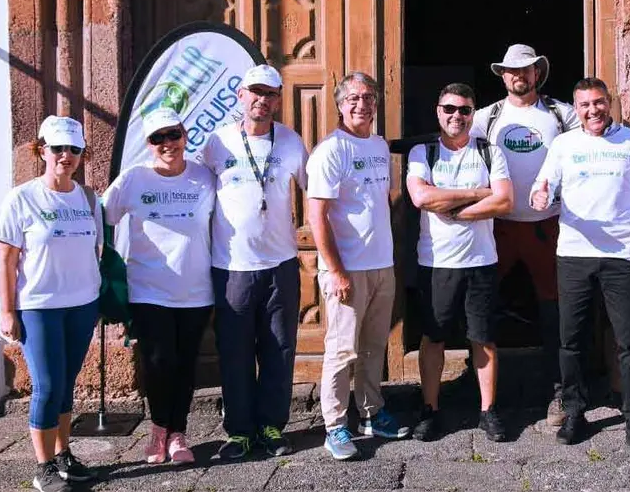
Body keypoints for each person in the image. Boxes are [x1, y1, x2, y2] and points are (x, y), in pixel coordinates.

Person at [530, 77, 630, 449]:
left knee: (629, 340)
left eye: (599, 102)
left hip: (622, 255)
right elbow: (543, 187)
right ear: (576, 109)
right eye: (585, 105)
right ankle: (575, 411)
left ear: (609, 103)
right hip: (574, 254)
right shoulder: (564, 144)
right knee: (570, 340)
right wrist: (540, 195)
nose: (593, 110)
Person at [200, 64, 309, 460]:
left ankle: (271, 427)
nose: (262, 101)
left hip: (280, 263)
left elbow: (319, 193)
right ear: (240, 96)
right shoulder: (216, 143)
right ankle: (240, 432)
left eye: (270, 94)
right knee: (236, 351)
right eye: (255, 93)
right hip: (231, 267)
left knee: (280, 348)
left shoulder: (293, 143)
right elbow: (190, 188)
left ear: (279, 100)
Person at [470, 44, 578, 426]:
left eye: (527, 69)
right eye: (512, 70)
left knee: (554, 309)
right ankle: (481, 392)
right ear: (502, 76)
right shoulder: (486, 117)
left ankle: (559, 389)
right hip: (496, 224)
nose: (520, 76)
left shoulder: (562, 114)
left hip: (546, 225)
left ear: (537, 73)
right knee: (482, 305)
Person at [103, 108, 216, 465]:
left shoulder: (205, 177)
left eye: (173, 135)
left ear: (184, 135)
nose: (167, 143)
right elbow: (102, 220)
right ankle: (158, 428)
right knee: (158, 360)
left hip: (196, 289)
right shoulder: (133, 180)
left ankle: (178, 432)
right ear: (149, 145)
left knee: (184, 363)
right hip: (148, 289)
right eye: (158, 138)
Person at [0, 116, 101, 492]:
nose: (66, 156)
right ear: (42, 150)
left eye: (74, 149)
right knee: (47, 385)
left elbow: (96, 251)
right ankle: (43, 467)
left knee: (66, 384)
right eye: (58, 148)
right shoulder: (21, 198)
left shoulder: (89, 199)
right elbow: (6, 260)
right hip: (39, 307)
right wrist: (8, 311)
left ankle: (63, 454)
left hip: (82, 304)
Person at [308, 72, 408, 460]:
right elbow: (317, 217)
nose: (361, 104)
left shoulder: (380, 146)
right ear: (339, 104)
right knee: (341, 348)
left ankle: (371, 412)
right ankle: (334, 425)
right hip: (346, 268)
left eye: (368, 97)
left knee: (373, 347)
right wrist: (335, 270)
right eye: (353, 98)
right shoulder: (330, 151)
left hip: (381, 264)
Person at [406, 83, 514, 442]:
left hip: (481, 260)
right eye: (449, 109)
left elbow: (504, 202)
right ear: (438, 111)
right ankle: (429, 408)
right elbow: (421, 197)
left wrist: (455, 207)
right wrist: (476, 194)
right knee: (433, 337)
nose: (457, 116)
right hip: (437, 261)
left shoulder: (489, 152)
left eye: (465, 110)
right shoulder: (423, 152)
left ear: (473, 114)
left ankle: (488, 410)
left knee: (484, 339)